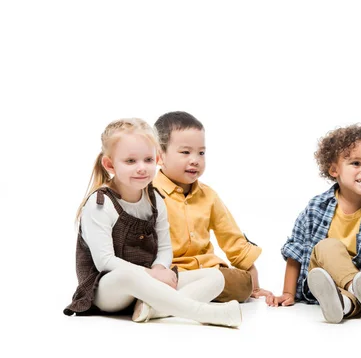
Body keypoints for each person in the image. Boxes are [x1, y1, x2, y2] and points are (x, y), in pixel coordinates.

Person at [63, 118, 241, 328]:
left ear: (157, 159)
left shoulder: (155, 198)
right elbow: (105, 262)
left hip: (149, 283)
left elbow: (165, 248)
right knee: (126, 275)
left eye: (148, 159)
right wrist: (151, 274)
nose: (142, 168)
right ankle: (206, 314)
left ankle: (152, 309)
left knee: (215, 277)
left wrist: (159, 268)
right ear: (110, 164)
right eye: (130, 161)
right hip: (109, 290)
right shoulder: (100, 204)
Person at [139, 111, 270, 321]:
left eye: (201, 153)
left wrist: (255, 287)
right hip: (171, 273)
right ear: (159, 156)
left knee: (242, 284)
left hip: (210, 272)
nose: (195, 160)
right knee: (156, 281)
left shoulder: (208, 196)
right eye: (185, 152)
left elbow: (232, 238)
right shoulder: (148, 193)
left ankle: (163, 305)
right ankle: (170, 302)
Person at [267, 124, 361, 324]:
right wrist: (288, 292)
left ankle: (345, 305)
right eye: (356, 163)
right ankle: (356, 290)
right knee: (328, 246)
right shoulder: (316, 207)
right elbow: (295, 252)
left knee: (348, 297)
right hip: (322, 279)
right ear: (333, 169)